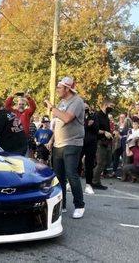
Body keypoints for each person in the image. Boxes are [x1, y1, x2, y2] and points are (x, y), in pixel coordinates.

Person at [44, 76, 85, 219]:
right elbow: (58, 124)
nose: (57, 90)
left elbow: (67, 118)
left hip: (72, 143)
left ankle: (79, 205)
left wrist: (52, 109)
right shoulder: (62, 102)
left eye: (59, 88)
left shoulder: (77, 101)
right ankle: (63, 205)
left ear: (67, 89)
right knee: (59, 176)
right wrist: (51, 140)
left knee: (71, 174)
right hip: (58, 144)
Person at [92, 99, 115, 190]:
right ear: (105, 105)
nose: (112, 108)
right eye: (111, 106)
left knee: (105, 162)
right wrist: (104, 132)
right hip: (99, 142)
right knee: (100, 163)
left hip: (106, 142)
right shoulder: (97, 115)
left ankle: (96, 181)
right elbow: (94, 129)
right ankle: (94, 182)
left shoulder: (106, 116)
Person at [81, 103, 97, 195]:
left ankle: (88, 185)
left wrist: (89, 125)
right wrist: (87, 124)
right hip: (80, 142)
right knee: (77, 163)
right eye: (84, 108)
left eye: (87, 107)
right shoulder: (78, 116)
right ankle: (72, 184)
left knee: (89, 164)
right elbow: (79, 127)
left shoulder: (94, 116)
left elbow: (96, 128)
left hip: (91, 143)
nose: (86, 109)